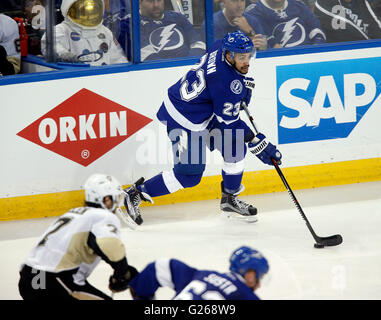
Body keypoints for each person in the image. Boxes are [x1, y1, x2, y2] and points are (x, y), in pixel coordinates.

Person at [123, 30, 282, 228]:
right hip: (182, 118)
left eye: (249, 56)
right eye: (242, 57)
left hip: (202, 111)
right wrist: (257, 141)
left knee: (235, 147)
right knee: (189, 176)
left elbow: (221, 92)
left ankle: (229, 199)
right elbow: (230, 123)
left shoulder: (219, 46)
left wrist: (240, 89)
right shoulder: (227, 84)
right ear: (229, 55)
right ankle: (136, 193)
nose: (247, 61)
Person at [18, 173, 138, 300]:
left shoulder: (73, 214)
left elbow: (93, 244)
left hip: (29, 277)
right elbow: (109, 246)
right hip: (53, 282)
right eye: (115, 198)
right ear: (106, 200)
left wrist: (120, 271)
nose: (116, 203)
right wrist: (121, 273)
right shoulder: (103, 216)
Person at [128, 245, 269, 300]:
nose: (260, 284)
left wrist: (140, 292)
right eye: (260, 276)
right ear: (250, 275)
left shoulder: (203, 274)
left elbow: (159, 266)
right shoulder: (246, 296)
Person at [41, 0, 127, 65]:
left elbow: (118, 58)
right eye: (82, 10)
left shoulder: (105, 32)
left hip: (105, 79)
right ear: (68, 9)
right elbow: (50, 45)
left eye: (94, 8)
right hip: (77, 79)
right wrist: (63, 54)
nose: (89, 13)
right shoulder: (62, 30)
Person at [118, 0, 206, 62]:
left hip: (187, 68)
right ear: (139, 2)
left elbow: (199, 44)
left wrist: (188, 64)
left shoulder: (177, 17)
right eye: (150, 1)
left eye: (159, 0)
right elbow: (146, 57)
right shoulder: (130, 23)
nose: (156, 5)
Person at [245, 0, 326, 48]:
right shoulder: (254, 12)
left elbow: (317, 30)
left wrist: (315, 49)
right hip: (280, 62)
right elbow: (269, 44)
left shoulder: (298, 5)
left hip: (310, 55)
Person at [200, 0, 268, 50]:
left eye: (242, 0)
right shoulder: (212, 23)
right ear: (224, 2)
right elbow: (215, 53)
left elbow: (265, 49)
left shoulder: (252, 21)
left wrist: (249, 31)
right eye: (234, 1)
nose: (239, 5)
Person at [314, 0, 381, 43]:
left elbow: (375, 26)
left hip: (367, 51)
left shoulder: (362, 2)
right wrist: (370, 44)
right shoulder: (324, 3)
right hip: (340, 53)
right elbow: (349, 31)